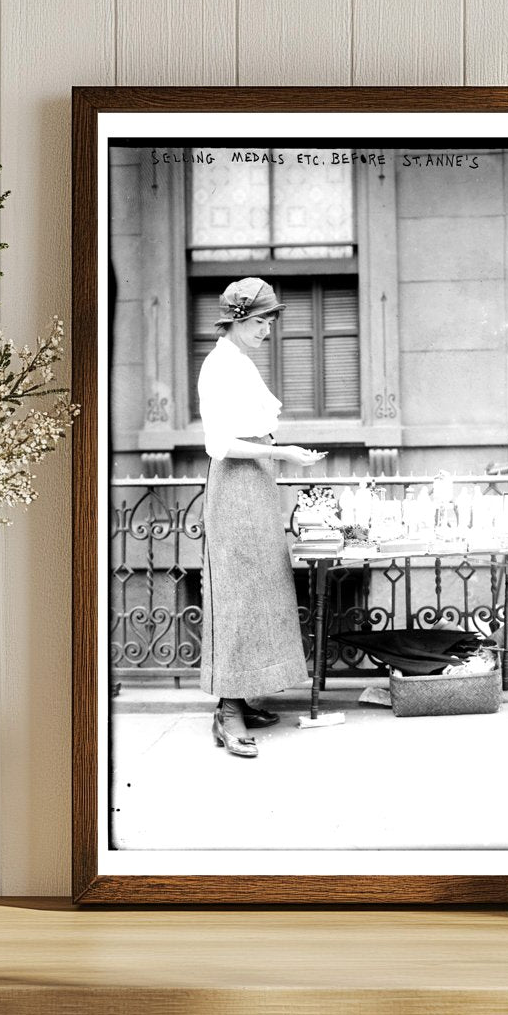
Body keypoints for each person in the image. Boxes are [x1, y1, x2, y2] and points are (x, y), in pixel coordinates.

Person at [197, 277, 325, 758]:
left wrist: (280, 454)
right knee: (237, 592)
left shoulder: (240, 362)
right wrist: (287, 452)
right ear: (235, 319)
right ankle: (228, 711)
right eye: (258, 320)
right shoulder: (218, 366)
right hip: (235, 484)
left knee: (262, 589)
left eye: (270, 320)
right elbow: (219, 444)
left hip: (257, 484)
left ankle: (245, 698)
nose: (267, 328)